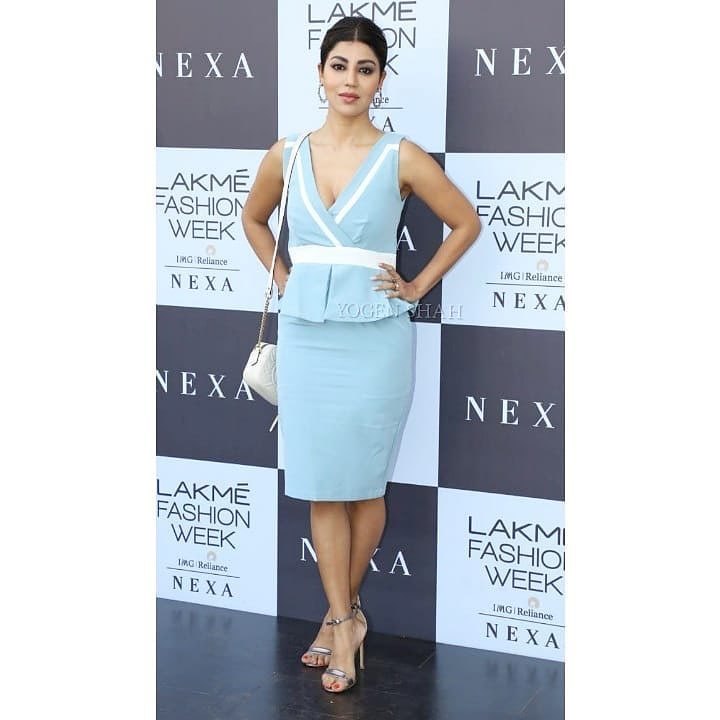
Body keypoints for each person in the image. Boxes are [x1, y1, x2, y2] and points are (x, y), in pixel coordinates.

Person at [241, 17, 481, 694]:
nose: (350, 80)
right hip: (307, 335)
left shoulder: (401, 155)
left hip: (376, 337)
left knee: (366, 485)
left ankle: (338, 618)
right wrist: (285, 280)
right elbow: (253, 219)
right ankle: (346, 619)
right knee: (321, 483)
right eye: (339, 65)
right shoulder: (287, 154)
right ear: (321, 73)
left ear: (380, 80)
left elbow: (465, 222)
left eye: (365, 68)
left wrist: (416, 286)